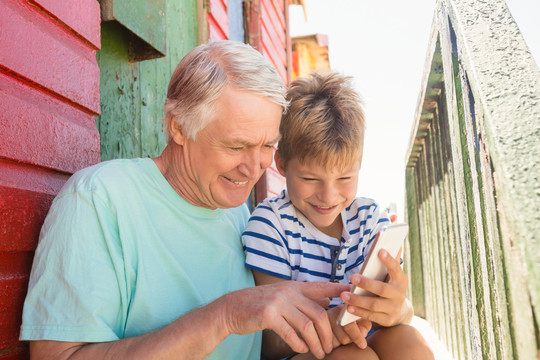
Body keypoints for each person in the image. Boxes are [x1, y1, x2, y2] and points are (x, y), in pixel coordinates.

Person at [19, 41, 358, 360]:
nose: (255, 167)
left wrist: (338, 322)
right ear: (178, 126)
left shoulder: (240, 215)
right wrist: (223, 316)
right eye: (237, 146)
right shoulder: (99, 201)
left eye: (267, 146)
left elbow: (253, 347)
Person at [242, 72, 434, 359]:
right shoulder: (270, 227)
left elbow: (399, 313)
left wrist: (397, 309)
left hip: (363, 341)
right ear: (281, 164)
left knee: (408, 340)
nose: (329, 196)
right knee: (355, 357)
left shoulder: (370, 219)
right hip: (301, 351)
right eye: (310, 178)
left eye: (344, 177)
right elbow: (264, 343)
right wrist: (326, 328)